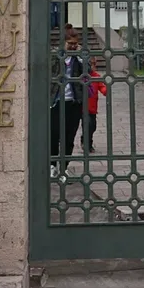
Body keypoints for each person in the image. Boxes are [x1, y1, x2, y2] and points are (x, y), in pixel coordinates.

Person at [50, 25, 87, 178]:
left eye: (74, 44)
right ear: (63, 43)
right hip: (56, 102)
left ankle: (64, 167)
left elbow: (88, 71)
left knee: (69, 136)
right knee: (53, 135)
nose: (72, 46)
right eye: (69, 43)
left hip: (73, 102)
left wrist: (79, 56)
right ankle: (52, 165)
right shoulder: (54, 56)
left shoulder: (78, 58)